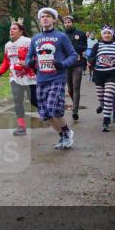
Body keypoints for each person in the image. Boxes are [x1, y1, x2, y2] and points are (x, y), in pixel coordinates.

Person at [24, 8, 77, 149]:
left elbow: (73, 55)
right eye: (42, 17)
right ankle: (64, 136)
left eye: (48, 16)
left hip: (57, 78)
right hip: (41, 79)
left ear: (54, 19)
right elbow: (29, 56)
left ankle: (66, 132)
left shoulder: (61, 37)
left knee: (53, 108)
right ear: (40, 20)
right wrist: (29, 62)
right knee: (45, 114)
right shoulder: (35, 39)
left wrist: (62, 64)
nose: (45, 18)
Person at [0, 20, 37, 136]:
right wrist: (0, 72)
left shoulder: (28, 42)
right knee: (18, 102)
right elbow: (6, 61)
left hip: (29, 77)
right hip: (14, 77)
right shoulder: (8, 45)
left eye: (14, 29)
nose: (11, 31)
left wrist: (27, 63)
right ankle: (21, 127)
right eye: (10, 29)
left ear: (21, 31)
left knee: (34, 100)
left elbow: (36, 57)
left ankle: (49, 113)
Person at [86, 25, 115, 132]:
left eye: (109, 33)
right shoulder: (97, 45)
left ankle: (106, 121)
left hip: (113, 73)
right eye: (105, 33)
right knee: (101, 97)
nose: (107, 35)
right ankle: (102, 104)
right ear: (101, 34)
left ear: (112, 34)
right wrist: (94, 60)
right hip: (99, 74)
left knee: (108, 96)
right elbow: (90, 58)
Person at [62, 15, 88, 121]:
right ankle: (75, 103)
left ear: (73, 23)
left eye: (69, 22)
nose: (67, 24)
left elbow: (85, 47)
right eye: (65, 23)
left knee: (76, 85)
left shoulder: (80, 34)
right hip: (67, 64)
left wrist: (71, 48)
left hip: (78, 64)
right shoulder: (61, 35)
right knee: (70, 89)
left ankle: (75, 111)